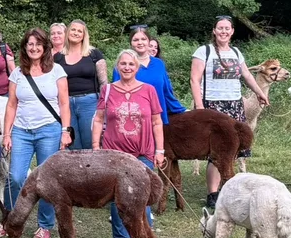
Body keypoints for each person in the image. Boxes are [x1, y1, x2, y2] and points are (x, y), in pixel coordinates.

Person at [0, 28, 72, 238]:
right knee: (16, 177)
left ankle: (44, 225)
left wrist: (66, 131)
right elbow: (11, 104)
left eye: (38, 44)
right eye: (30, 44)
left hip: (49, 130)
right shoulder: (18, 73)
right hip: (21, 130)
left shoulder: (57, 71)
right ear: (24, 48)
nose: (34, 47)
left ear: (45, 47)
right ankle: (10, 219)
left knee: (47, 180)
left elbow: (64, 103)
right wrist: (8, 133)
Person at [92, 50, 165, 238]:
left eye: (131, 64)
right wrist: (96, 147)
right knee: (118, 199)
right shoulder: (107, 90)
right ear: (117, 67)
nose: (126, 67)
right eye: (123, 64)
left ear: (137, 67)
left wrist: (160, 150)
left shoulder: (149, 90)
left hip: (143, 153)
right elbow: (98, 119)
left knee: (142, 197)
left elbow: (156, 122)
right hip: (114, 154)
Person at [190, 16, 269, 208]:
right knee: (216, 151)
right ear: (215, 31)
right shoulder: (204, 52)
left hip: (234, 104)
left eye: (227, 28)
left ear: (232, 31)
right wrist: (200, 108)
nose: (224, 32)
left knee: (232, 149)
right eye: (220, 28)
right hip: (213, 105)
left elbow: (247, 75)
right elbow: (194, 79)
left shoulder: (235, 52)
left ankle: (227, 189)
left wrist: (259, 94)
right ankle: (212, 194)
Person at [113, 26, 186, 123]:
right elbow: (116, 96)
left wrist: (181, 109)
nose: (140, 42)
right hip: (132, 120)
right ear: (131, 43)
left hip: (157, 119)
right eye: (136, 40)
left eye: (143, 39)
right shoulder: (123, 65)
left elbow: (167, 92)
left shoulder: (159, 64)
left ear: (148, 41)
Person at [54, 20, 106, 150]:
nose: (75, 33)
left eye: (79, 31)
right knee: (72, 144)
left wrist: (104, 105)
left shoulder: (94, 54)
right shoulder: (57, 58)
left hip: (89, 102)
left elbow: (104, 82)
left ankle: (94, 170)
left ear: (84, 35)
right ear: (67, 32)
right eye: (73, 30)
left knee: (91, 142)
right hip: (66, 104)